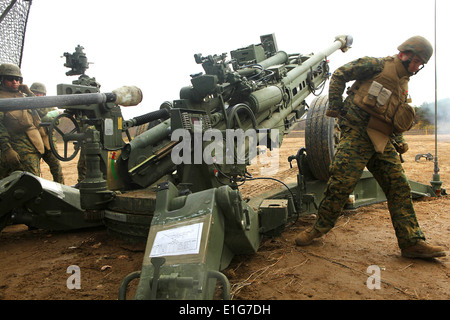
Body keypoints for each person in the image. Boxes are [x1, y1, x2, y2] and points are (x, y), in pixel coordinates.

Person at [295, 36, 446, 259]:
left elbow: (389, 116)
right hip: (357, 133)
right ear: (405, 54)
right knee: (341, 182)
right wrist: (335, 109)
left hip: (381, 140)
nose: (417, 67)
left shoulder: (403, 86)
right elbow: (339, 74)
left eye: (421, 64)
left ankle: (412, 242)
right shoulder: (376, 65)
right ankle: (318, 229)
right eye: (416, 61)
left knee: (399, 186)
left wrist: (398, 141)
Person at [0, 64, 45, 179]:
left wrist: (30, 93)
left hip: (32, 146)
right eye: (10, 79)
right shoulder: (2, 99)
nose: (15, 81)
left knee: (33, 182)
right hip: (13, 148)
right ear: (2, 80)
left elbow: (42, 111)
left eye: (18, 79)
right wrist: (7, 149)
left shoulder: (23, 96)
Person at [30, 82, 65, 184]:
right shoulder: (27, 106)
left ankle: (62, 189)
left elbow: (57, 120)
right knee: (34, 172)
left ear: (43, 94)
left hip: (48, 142)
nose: (37, 95)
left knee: (56, 168)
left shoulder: (49, 106)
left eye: (39, 93)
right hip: (33, 142)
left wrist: (48, 117)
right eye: (35, 92)